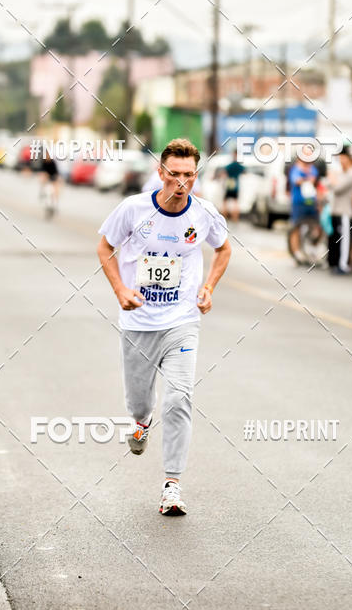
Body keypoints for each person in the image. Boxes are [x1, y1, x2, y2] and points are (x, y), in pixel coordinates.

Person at [97, 138, 232, 516]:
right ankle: (141, 421)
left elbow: (224, 249)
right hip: (139, 322)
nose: (182, 182)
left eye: (189, 175)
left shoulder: (203, 214)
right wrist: (120, 289)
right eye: (174, 175)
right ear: (160, 173)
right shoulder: (133, 209)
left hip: (182, 322)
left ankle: (172, 484)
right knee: (140, 401)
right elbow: (105, 246)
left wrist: (208, 288)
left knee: (178, 398)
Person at [327, 149, 352, 274]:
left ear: (349, 160)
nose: (341, 161)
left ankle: (343, 264)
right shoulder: (340, 173)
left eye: (344, 158)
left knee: (343, 240)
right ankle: (333, 262)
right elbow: (329, 185)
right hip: (335, 210)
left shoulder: (351, 174)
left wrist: (332, 180)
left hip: (344, 212)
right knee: (334, 238)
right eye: (340, 158)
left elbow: (337, 188)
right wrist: (332, 181)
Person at [288, 149, 319, 263]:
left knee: (316, 226)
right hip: (298, 203)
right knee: (295, 227)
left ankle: (312, 249)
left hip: (311, 203)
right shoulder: (295, 169)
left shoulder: (313, 169)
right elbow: (296, 180)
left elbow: (314, 179)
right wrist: (306, 179)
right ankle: (296, 253)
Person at [221, 150, 246, 222]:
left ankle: (225, 217)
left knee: (225, 201)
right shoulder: (239, 166)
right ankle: (235, 218)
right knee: (236, 202)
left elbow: (224, 173)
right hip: (236, 184)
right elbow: (244, 172)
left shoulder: (230, 165)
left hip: (229, 183)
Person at [39, 150, 60, 216]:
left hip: (53, 177)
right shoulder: (44, 162)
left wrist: (55, 181)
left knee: (55, 190)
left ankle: (55, 204)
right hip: (46, 178)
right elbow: (42, 172)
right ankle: (42, 192)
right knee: (45, 186)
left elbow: (56, 174)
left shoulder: (52, 163)